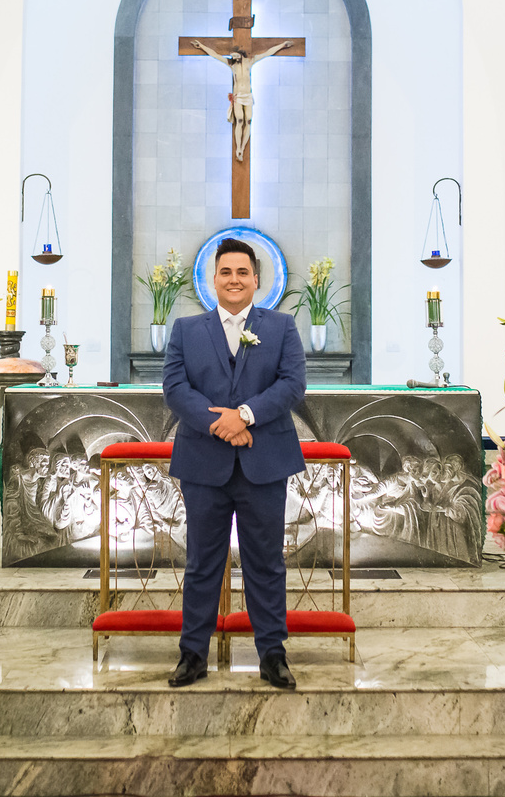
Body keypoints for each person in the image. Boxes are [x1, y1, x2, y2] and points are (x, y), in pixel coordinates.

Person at [162, 237, 307, 689]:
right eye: (226, 272)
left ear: (257, 280)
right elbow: (175, 387)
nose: (234, 280)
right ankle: (192, 654)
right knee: (202, 561)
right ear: (213, 278)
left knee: (266, 562)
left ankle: (273, 654)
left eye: (243, 272)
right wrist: (220, 424)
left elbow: (292, 384)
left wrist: (244, 416)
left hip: (264, 461)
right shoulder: (187, 329)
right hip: (204, 463)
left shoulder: (281, 327)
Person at [190, 39, 295, 162]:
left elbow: (267, 53)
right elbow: (215, 55)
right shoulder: (232, 65)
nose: (233, 56)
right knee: (239, 121)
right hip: (238, 96)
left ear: (240, 53)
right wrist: (201, 46)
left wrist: (282, 45)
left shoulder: (250, 62)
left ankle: (243, 147)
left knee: (248, 121)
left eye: (234, 54)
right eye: (232, 55)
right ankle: (238, 148)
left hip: (248, 96)